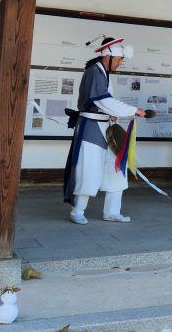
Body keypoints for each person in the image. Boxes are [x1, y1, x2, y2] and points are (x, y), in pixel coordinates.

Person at [63, 37, 147, 224]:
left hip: (104, 125)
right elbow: (103, 101)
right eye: (118, 59)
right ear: (108, 56)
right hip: (91, 128)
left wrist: (112, 114)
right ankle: (77, 211)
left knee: (116, 168)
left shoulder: (103, 73)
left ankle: (112, 211)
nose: (120, 62)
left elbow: (105, 104)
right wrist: (134, 110)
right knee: (89, 169)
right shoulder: (94, 72)